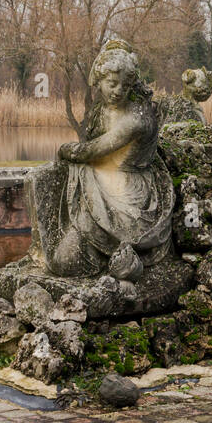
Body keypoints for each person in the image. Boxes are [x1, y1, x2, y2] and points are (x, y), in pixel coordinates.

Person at [44, 42, 174, 281]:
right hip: (102, 179)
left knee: (66, 262)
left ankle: (108, 257)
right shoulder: (101, 109)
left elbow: (90, 150)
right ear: (99, 81)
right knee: (63, 259)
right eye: (112, 84)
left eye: (125, 86)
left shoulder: (137, 118)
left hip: (129, 192)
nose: (117, 91)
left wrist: (66, 149)